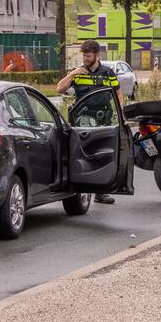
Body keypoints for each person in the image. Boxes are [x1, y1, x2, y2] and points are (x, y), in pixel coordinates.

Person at [57, 40, 123, 204]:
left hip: (103, 120)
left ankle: (101, 192)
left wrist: (121, 113)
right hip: (83, 121)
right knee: (83, 156)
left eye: (88, 55)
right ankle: (80, 190)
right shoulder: (78, 72)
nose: (85, 58)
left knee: (102, 155)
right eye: (84, 55)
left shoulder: (108, 73)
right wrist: (72, 74)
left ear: (96, 55)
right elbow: (59, 89)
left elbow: (118, 92)